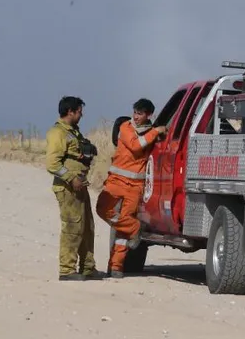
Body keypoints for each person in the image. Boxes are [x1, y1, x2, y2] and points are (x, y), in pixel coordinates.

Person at [96, 98, 166, 278]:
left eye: (140, 114)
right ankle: (136, 228)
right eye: (135, 112)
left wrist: (158, 132)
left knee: (122, 231)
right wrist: (156, 131)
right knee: (103, 209)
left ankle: (116, 266)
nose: (136, 116)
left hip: (135, 185)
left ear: (148, 115)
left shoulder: (151, 131)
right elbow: (136, 146)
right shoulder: (125, 127)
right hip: (116, 181)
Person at [45, 96, 103, 281]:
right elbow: (52, 163)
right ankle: (67, 269)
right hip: (68, 188)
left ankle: (88, 267)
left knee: (87, 227)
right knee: (72, 226)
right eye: (79, 111)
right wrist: (70, 178)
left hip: (80, 187)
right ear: (70, 111)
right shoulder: (57, 133)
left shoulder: (74, 132)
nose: (81, 114)